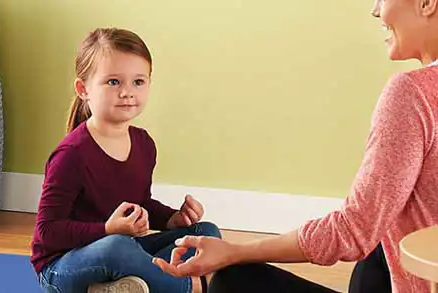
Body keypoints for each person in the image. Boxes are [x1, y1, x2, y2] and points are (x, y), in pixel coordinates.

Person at [153, 0, 438, 292]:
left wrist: (236, 251)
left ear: (427, 3)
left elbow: (353, 231)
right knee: (382, 241)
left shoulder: (412, 93)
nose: (375, 10)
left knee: (234, 281)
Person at [32, 27, 222, 293]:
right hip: (63, 266)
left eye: (138, 82)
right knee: (116, 247)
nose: (127, 92)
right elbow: (47, 232)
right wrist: (107, 229)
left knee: (206, 232)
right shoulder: (70, 155)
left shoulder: (144, 144)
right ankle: (191, 288)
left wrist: (172, 220)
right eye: (113, 82)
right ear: (83, 89)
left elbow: (140, 204)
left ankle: (120, 287)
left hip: (122, 247)